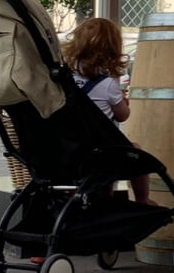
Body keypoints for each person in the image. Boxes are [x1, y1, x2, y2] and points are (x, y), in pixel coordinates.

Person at [61, 17, 152, 206]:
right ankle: (143, 199)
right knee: (134, 150)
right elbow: (123, 115)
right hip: (98, 152)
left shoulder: (64, 80)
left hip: (66, 148)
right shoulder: (108, 85)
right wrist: (122, 102)